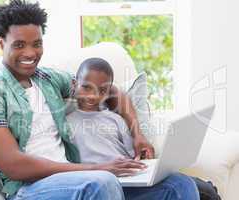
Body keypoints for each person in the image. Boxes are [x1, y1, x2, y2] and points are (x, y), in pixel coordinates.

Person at [0, 0, 200, 199]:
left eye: (37, 44)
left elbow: (112, 91)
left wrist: (137, 134)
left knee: (179, 185)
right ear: (1, 43)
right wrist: (97, 168)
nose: (30, 53)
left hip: (84, 179)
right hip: (31, 189)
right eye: (19, 45)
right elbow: (14, 165)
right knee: (103, 183)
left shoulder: (47, 79)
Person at [67, 57, 221, 200]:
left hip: (128, 181)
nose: (93, 96)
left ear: (108, 93)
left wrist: (143, 159)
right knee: (184, 186)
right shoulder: (66, 123)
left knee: (183, 183)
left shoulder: (114, 119)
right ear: (74, 84)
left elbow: (133, 155)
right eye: (87, 87)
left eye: (101, 91)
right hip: (103, 185)